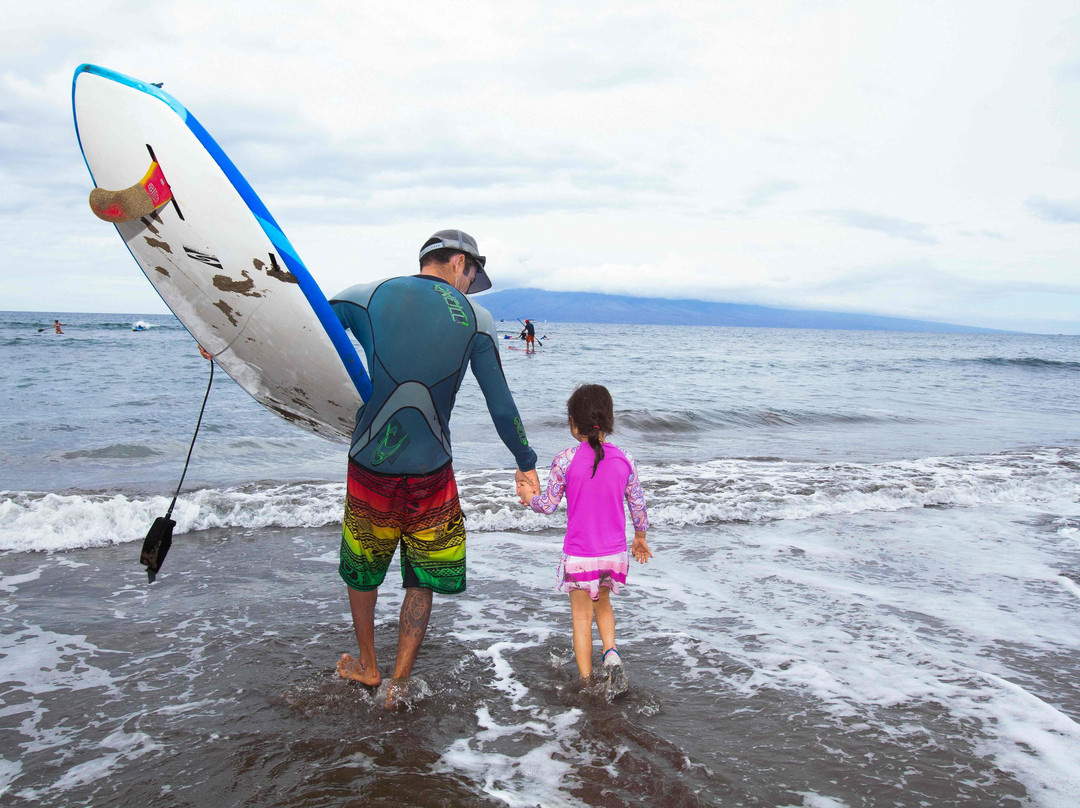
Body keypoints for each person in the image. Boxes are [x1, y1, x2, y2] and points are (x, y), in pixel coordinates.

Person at [330, 229, 540, 706]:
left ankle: (369, 665)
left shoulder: (365, 295)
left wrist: (227, 342)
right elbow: (501, 405)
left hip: (370, 464)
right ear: (459, 262)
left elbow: (299, 326)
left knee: (362, 567)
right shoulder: (476, 319)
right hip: (432, 470)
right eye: (472, 275)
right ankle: (399, 683)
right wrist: (525, 461)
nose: (470, 286)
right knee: (422, 575)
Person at [519, 383, 652, 696]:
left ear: (572, 421)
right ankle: (611, 653)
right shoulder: (625, 459)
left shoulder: (564, 460)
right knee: (603, 604)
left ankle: (586, 681)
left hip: (580, 556)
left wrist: (528, 496)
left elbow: (548, 505)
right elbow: (638, 502)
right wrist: (640, 536)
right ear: (608, 419)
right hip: (614, 555)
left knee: (581, 618)